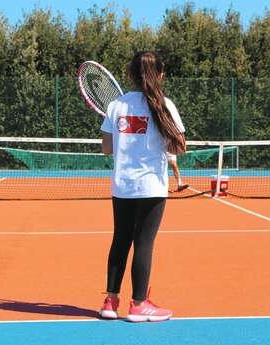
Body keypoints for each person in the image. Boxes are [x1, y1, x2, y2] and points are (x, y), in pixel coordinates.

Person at [99, 51, 186, 322]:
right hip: (151, 187)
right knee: (144, 242)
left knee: (120, 240)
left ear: (130, 75)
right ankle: (138, 305)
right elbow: (179, 147)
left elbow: (106, 149)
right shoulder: (165, 105)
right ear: (160, 75)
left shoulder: (116, 106)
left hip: (122, 187)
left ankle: (110, 302)